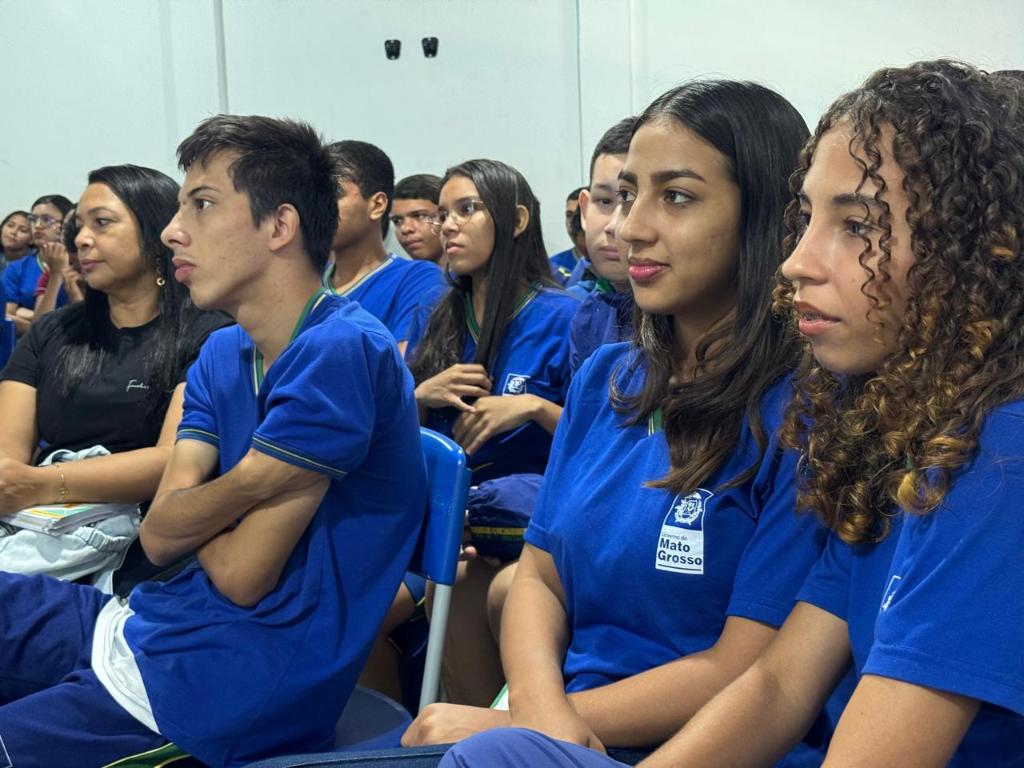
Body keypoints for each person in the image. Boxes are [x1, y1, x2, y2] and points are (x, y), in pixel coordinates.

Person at [441, 60, 1024, 768]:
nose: (797, 263)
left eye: (856, 223)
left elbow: (767, 682)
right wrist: (536, 722)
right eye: (808, 220)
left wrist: (519, 734)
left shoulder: (995, 454)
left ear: (979, 249)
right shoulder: (891, 432)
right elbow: (781, 686)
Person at [413, 79, 824, 763]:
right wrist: (538, 712)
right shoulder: (608, 376)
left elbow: (748, 669)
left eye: (679, 197)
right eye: (627, 194)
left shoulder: (801, 412)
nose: (628, 226)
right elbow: (540, 578)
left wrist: (521, 726)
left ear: (762, 216)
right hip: (568, 726)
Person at [0, 115, 425, 768]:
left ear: (279, 226)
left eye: (201, 204)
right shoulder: (225, 349)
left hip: (220, 689)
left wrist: (198, 503)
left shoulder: (341, 349)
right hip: (148, 623)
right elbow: (160, 534)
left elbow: (241, 576)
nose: (173, 230)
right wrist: (254, 480)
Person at [406, 158, 578, 705]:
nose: (447, 226)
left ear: (518, 219)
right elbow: (402, 448)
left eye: (467, 209)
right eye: (442, 215)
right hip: (462, 532)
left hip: (539, 529)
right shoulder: (436, 318)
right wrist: (418, 396)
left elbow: (605, 441)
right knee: (448, 596)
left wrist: (532, 408)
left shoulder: (568, 315)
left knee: (506, 595)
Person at [0, 165, 224, 531]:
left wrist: (42, 483)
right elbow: (7, 460)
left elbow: (175, 458)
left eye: (102, 223)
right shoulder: (54, 331)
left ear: (156, 234)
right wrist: (21, 485)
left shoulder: (208, 333)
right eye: (79, 228)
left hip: (147, 534)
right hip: (37, 526)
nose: (82, 240)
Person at [324, 141, 447, 354]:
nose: (317, 205)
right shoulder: (304, 280)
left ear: (377, 205)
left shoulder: (417, 279)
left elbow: (402, 369)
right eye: (313, 195)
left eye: (333, 194)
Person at [569, 117, 637, 373]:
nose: (615, 226)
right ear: (584, 210)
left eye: (630, 198)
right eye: (604, 201)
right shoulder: (587, 317)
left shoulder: (690, 323)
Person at [3, 194, 73, 334]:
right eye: (33, 219)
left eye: (47, 220)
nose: (38, 226)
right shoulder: (17, 268)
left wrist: (24, 312)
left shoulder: (80, 265)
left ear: (66, 224)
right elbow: (6, 317)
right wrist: (42, 328)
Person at [34, 205, 86, 318]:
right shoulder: (54, 271)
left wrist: (77, 299)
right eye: (64, 229)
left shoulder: (108, 273)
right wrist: (56, 274)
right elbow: (38, 328)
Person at [392, 173, 445, 266]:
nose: (405, 229)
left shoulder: (475, 278)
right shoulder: (402, 279)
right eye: (397, 221)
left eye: (420, 216)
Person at [549, 186, 589, 284]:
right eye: (569, 215)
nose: (573, 222)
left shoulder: (612, 265)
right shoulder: (552, 266)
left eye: (579, 215)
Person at [0, 210, 33, 275]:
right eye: (10, 225)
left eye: (23, 230)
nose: (13, 232)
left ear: (32, 240)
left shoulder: (35, 263)